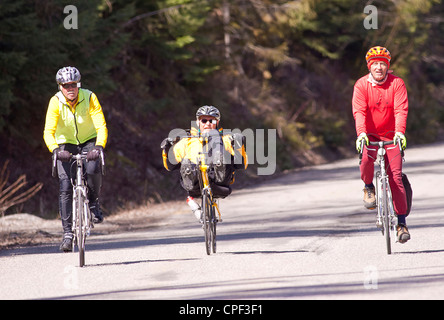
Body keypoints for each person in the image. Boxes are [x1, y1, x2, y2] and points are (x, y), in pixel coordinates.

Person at [43, 66, 108, 252]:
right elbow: (49, 131)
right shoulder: (55, 102)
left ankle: (94, 202)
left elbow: (101, 125)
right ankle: (67, 234)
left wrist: (99, 146)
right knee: (65, 186)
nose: (70, 88)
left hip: (89, 141)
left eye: (73, 84)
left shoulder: (89, 97)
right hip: (65, 144)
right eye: (66, 85)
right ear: (60, 87)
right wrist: (55, 149)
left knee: (93, 169)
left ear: (78, 84)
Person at [352, 46, 410, 243]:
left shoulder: (397, 84)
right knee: (366, 161)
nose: (378, 67)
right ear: (370, 66)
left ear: (387, 66)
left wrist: (400, 133)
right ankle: (369, 187)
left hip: (392, 137)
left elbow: (401, 110)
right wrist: (361, 134)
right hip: (369, 136)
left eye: (382, 64)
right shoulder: (361, 85)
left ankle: (401, 223)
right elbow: (359, 111)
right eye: (375, 64)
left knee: (396, 178)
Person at [161, 105, 247, 221]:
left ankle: (219, 166)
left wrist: (238, 144)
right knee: (187, 161)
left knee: (219, 152)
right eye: (204, 120)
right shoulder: (187, 140)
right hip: (194, 184)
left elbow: (241, 164)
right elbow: (170, 166)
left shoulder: (226, 139)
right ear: (198, 122)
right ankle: (190, 171)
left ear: (217, 122)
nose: (207, 123)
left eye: (211, 120)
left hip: (219, 183)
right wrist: (167, 148)